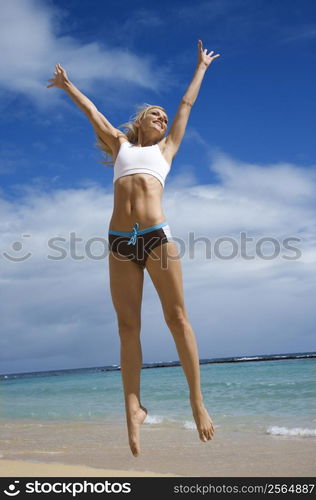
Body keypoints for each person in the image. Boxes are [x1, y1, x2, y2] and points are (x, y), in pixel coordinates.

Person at [47, 40, 220, 457]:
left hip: (157, 236)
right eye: (153, 115)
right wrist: (69, 86)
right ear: (140, 123)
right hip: (119, 242)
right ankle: (133, 405)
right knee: (127, 327)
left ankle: (196, 400)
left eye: (163, 116)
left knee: (177, 317)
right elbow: (93, 113)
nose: (162, 117)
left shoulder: (167, 150)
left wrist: (200, 67)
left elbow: (185, 105)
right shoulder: (121, 146)